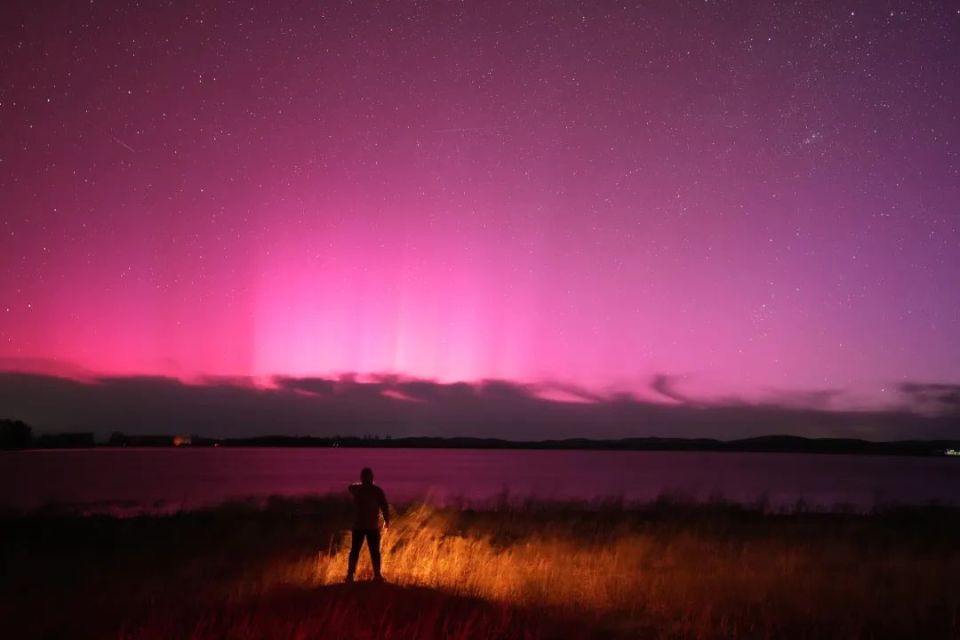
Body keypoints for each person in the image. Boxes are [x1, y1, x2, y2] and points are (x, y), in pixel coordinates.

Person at [346, 466, 390, 583]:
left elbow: (384, 507)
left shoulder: (362, 490)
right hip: (365, 527)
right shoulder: (375, 490)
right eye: (366, 477)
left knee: (368, 551)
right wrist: (387, 521)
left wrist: (386, 520)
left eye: (367, 477)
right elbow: (385, 507)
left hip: (366, 527)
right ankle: (353, 575)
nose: (367, 479)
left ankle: (373, 575)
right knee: (361, 551)